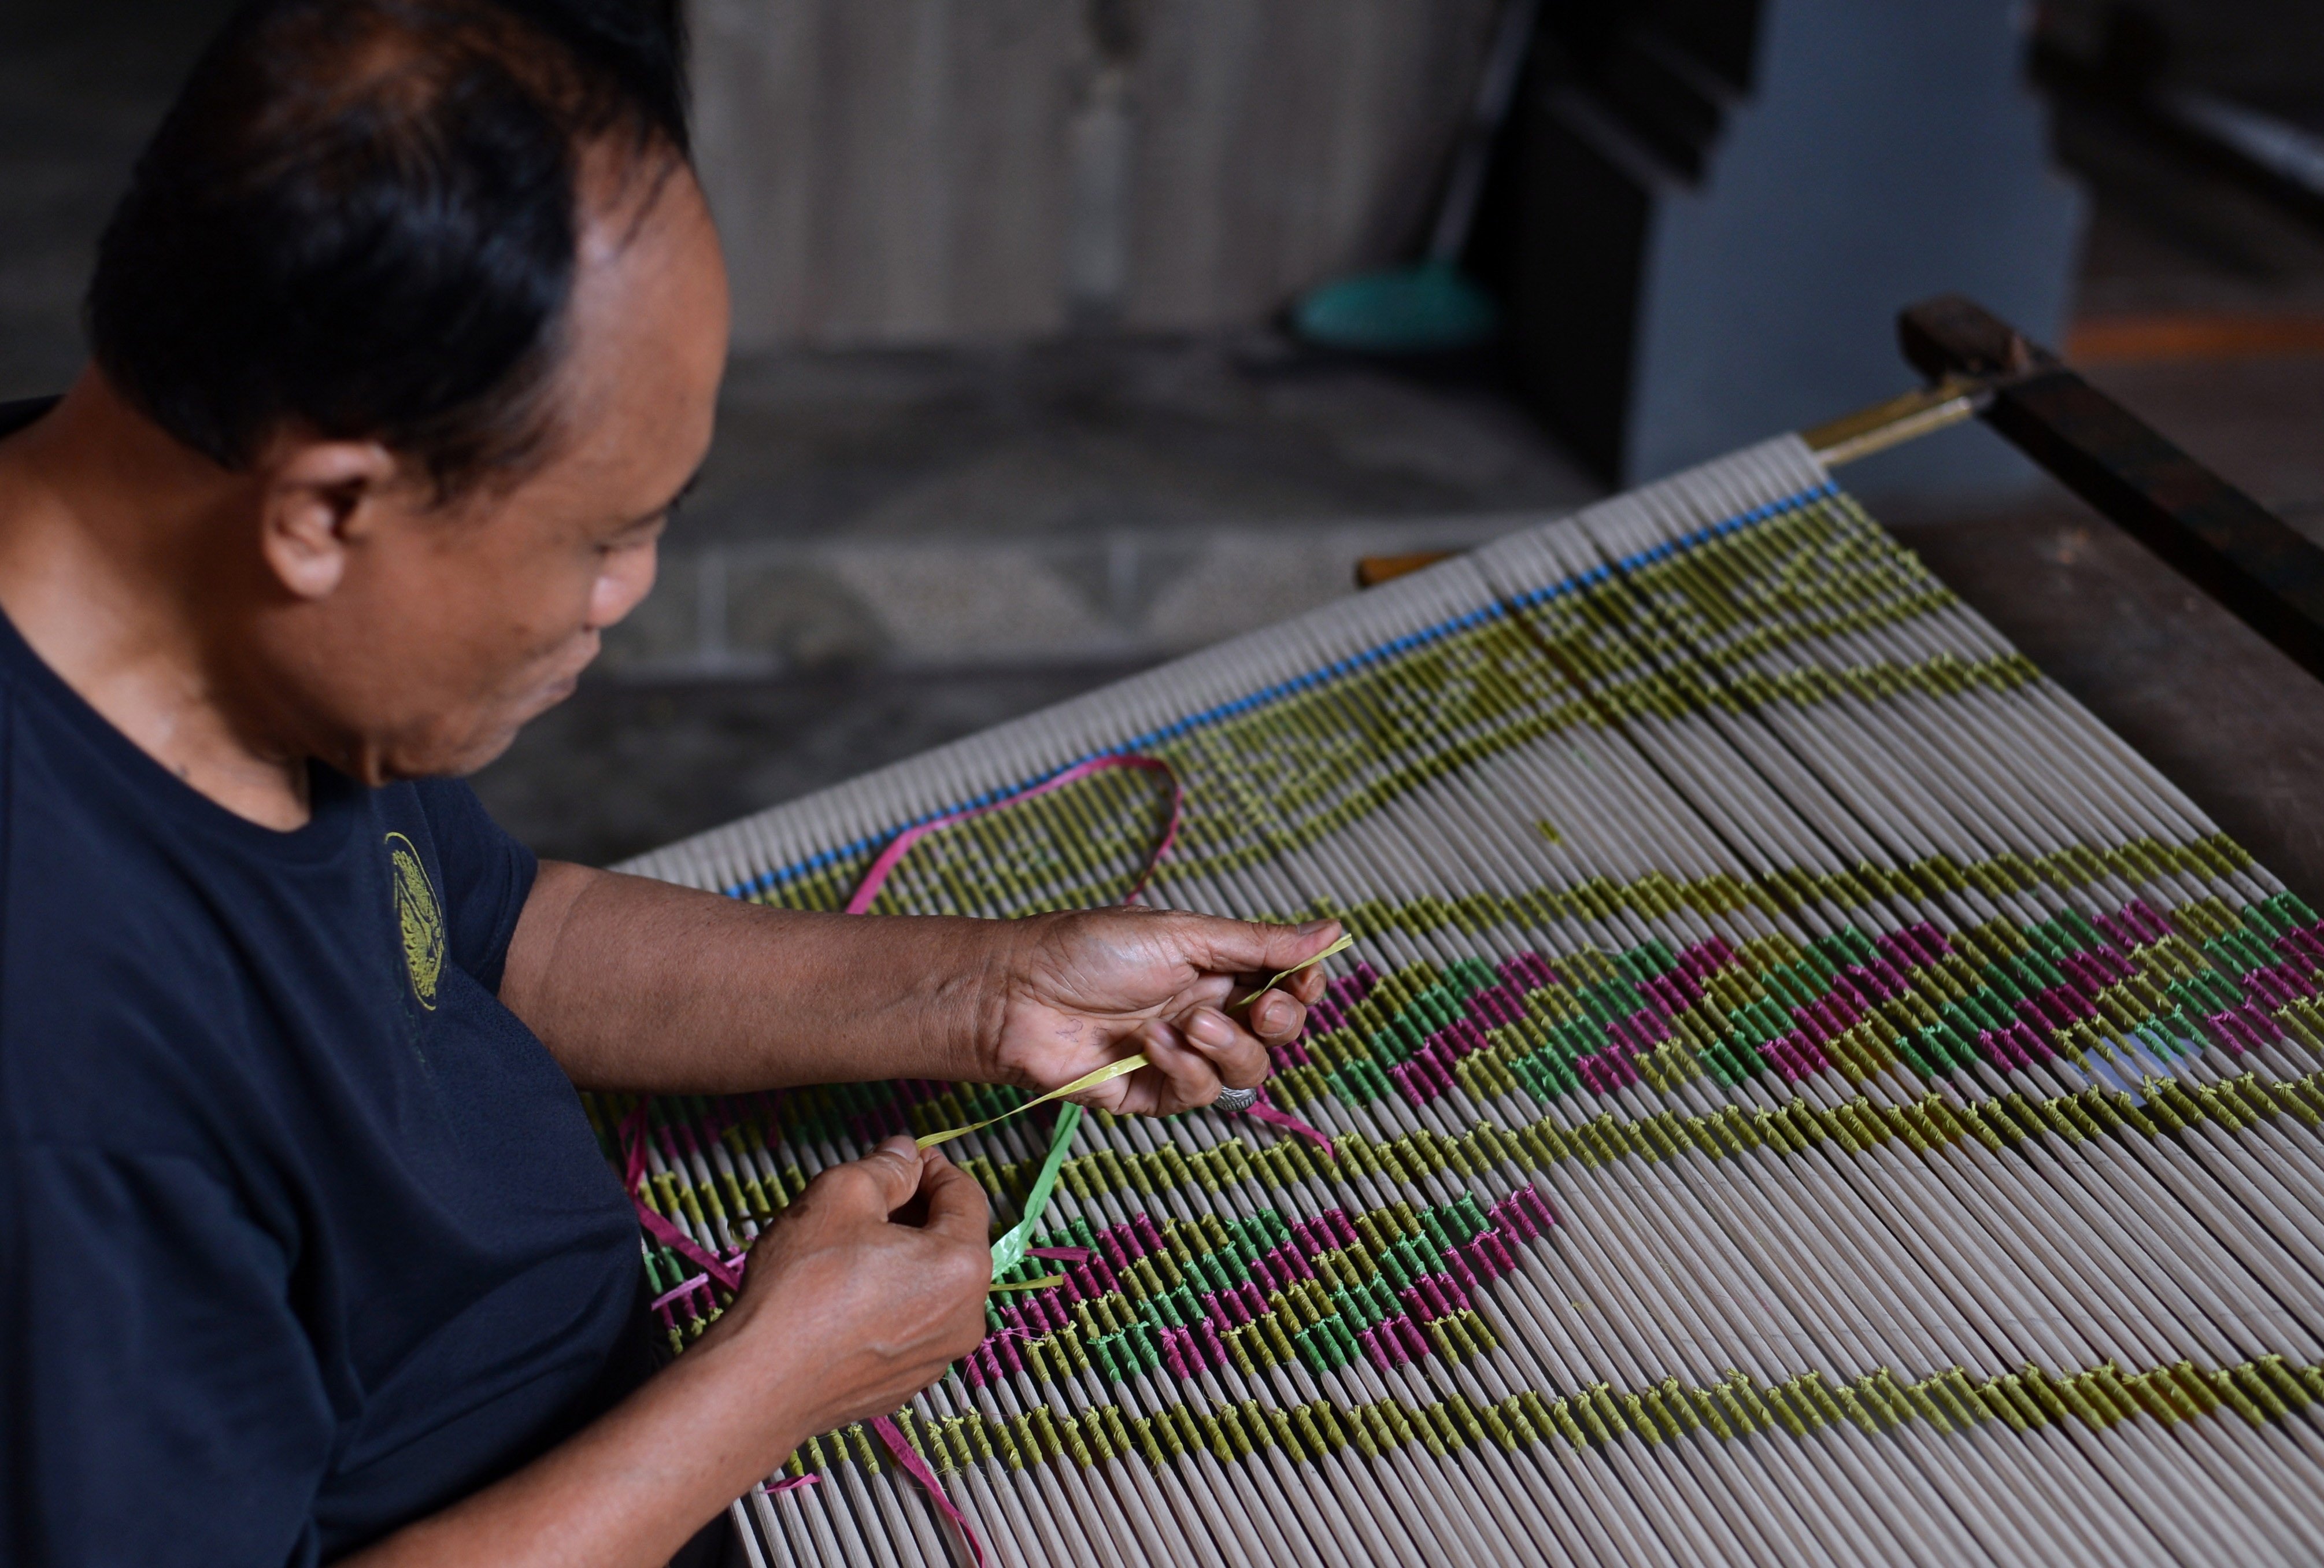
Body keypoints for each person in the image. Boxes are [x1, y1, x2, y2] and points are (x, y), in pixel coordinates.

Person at [0, 3, 1341, 1564]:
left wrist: (989, 992)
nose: (625, 595)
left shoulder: (148, 506)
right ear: (328, 513)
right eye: (600, 537)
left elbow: (493, 936)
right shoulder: (64, 1069)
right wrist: (767, 1391)